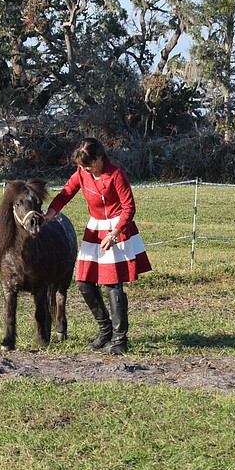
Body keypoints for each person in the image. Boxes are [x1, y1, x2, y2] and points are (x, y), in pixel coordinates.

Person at [42, 137, 151, 355]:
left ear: (99, 158)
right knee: (84, 282)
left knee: (113, 283)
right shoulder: (82, 174)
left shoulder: (116, 174)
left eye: (88, 165)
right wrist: (48, 215)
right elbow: (64, 195)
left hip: (117, 229)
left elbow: (129, 208)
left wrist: (115, 234)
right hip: (95, 229)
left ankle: (120, 339)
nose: (84, 170)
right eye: (81, 167)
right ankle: (105, 329)